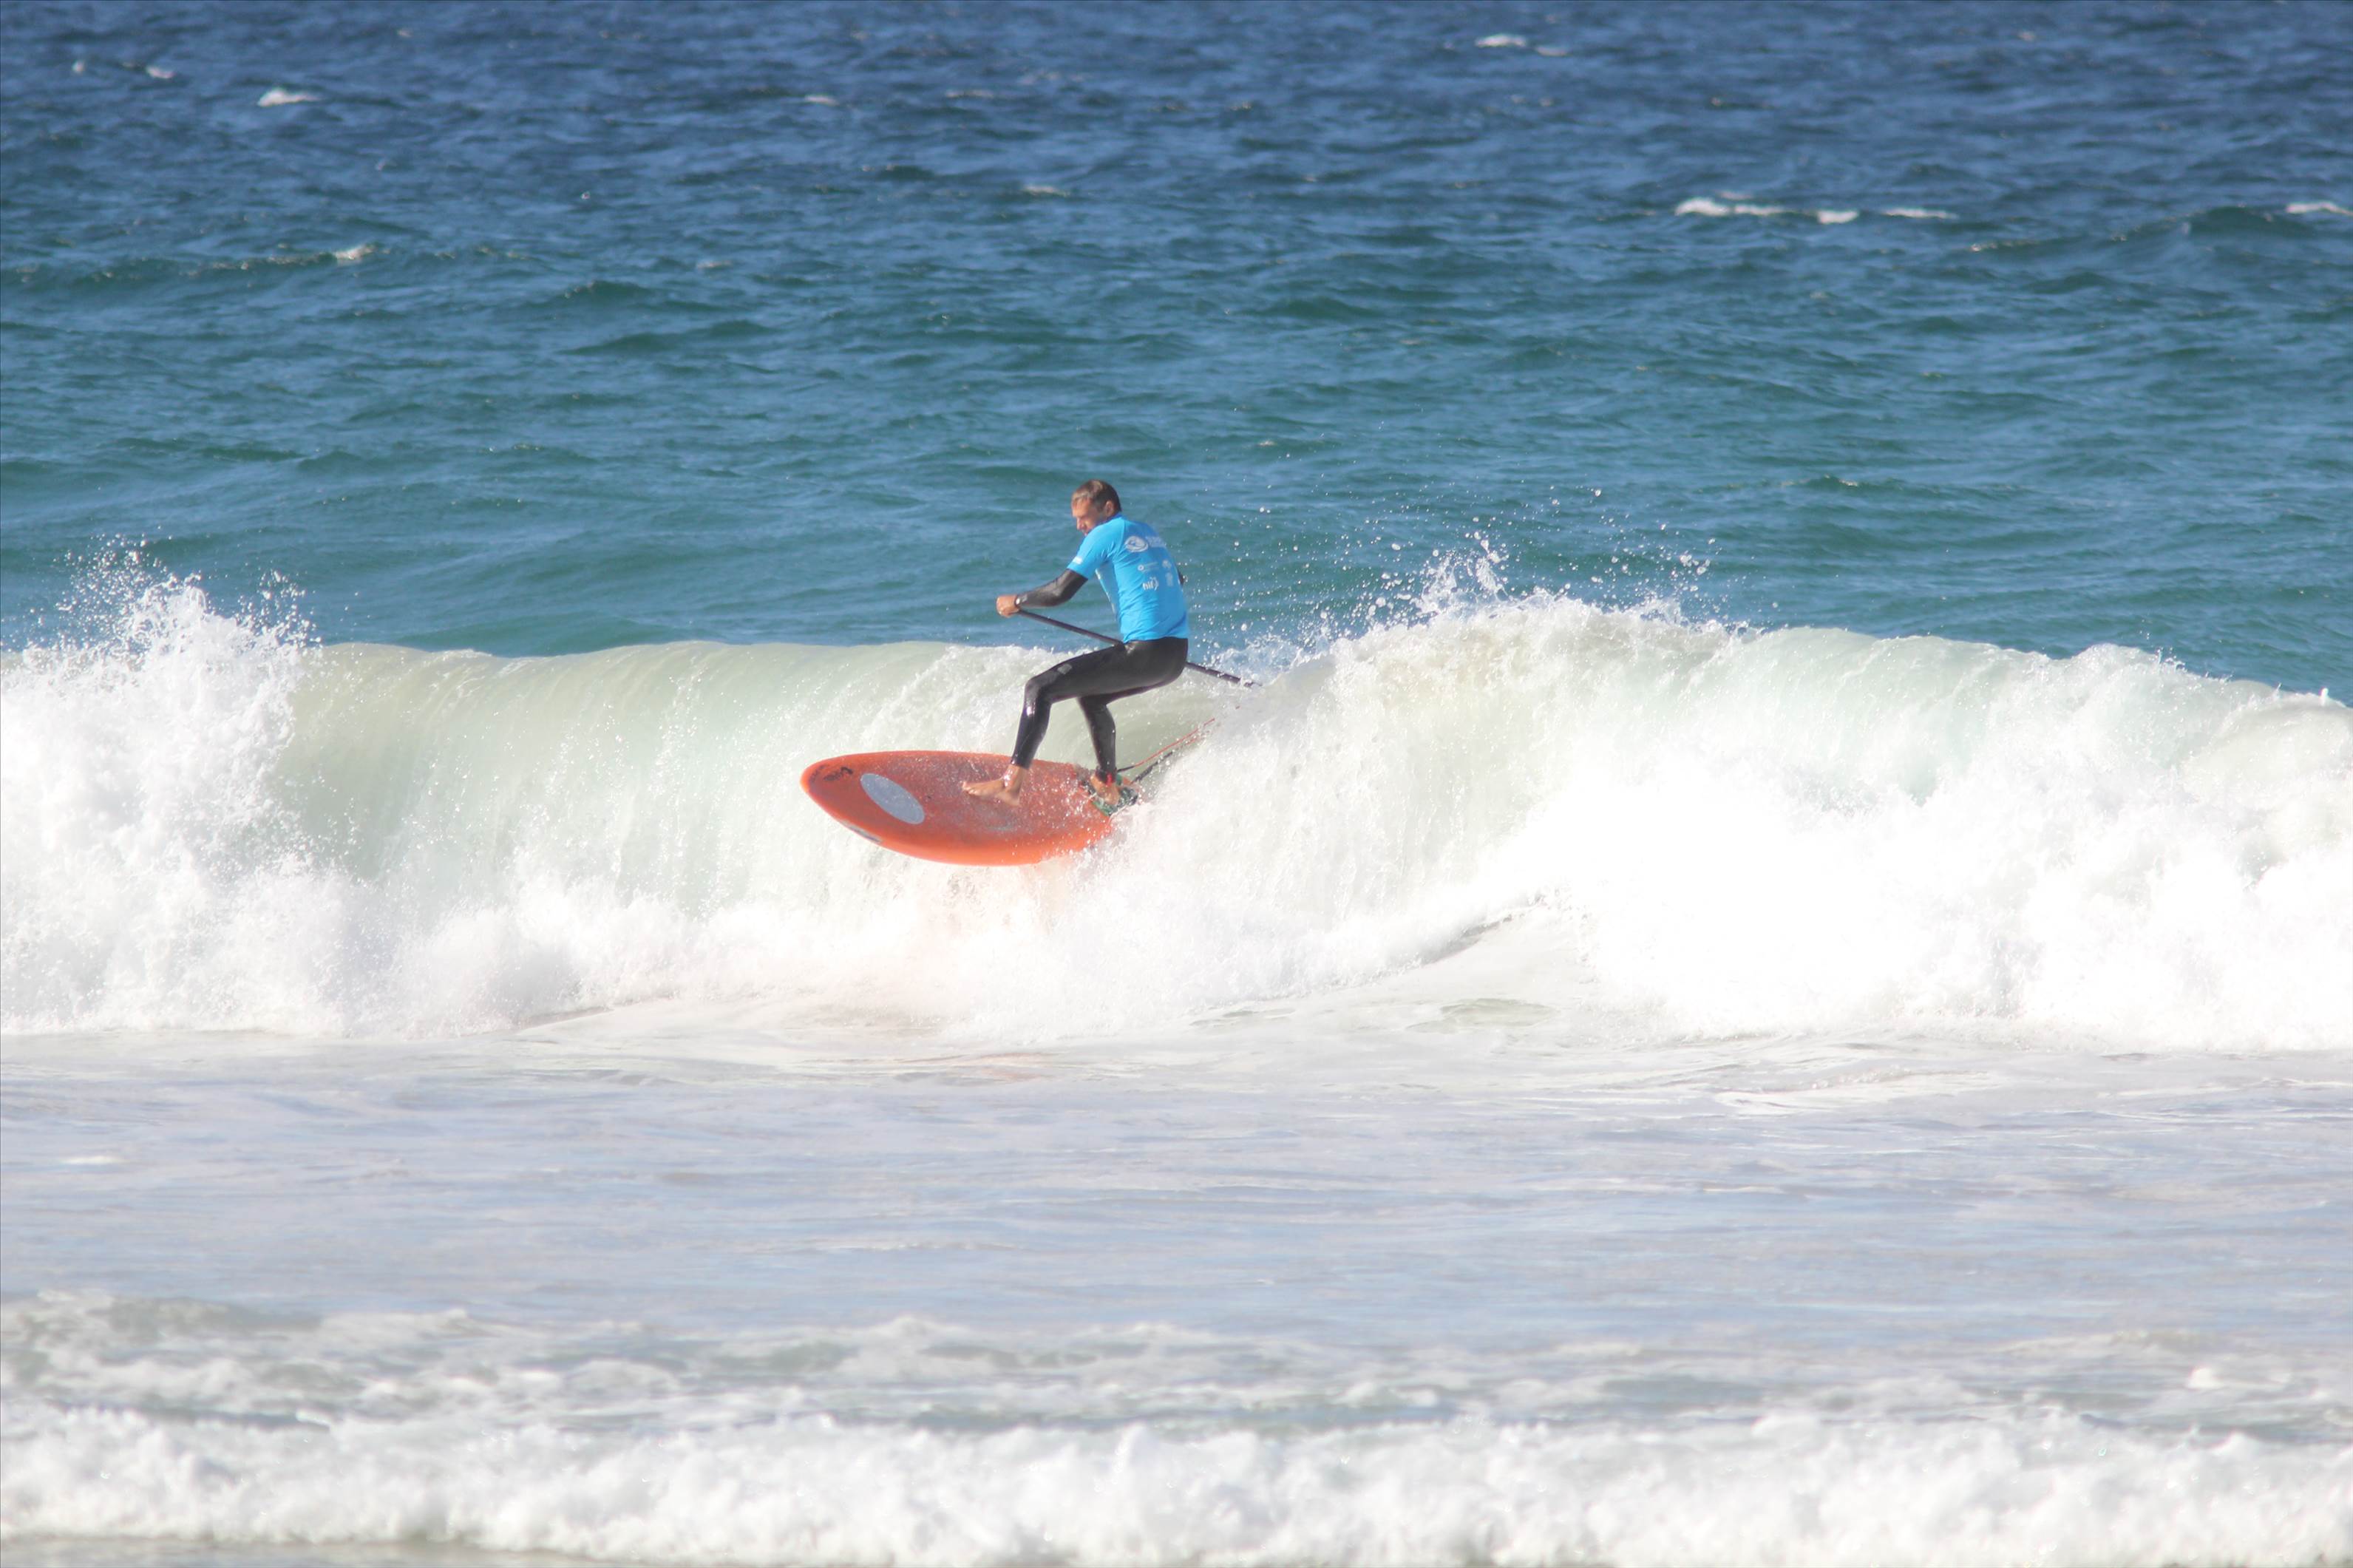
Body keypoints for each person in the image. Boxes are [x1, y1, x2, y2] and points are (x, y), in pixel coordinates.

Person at [964, 479, 1189, 805]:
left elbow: (1060, 592)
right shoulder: (1146, 533)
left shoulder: (1106, 533)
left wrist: (1018, 600)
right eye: (1076, 519)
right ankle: (1107, 782)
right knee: (1093, 699)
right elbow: (1176, 580)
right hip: (1173, 657)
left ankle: (1011, 785)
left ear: (1108, 508)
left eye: (1084, 517)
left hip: (1145, 652)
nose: (1080, 526)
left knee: (1039, 689)